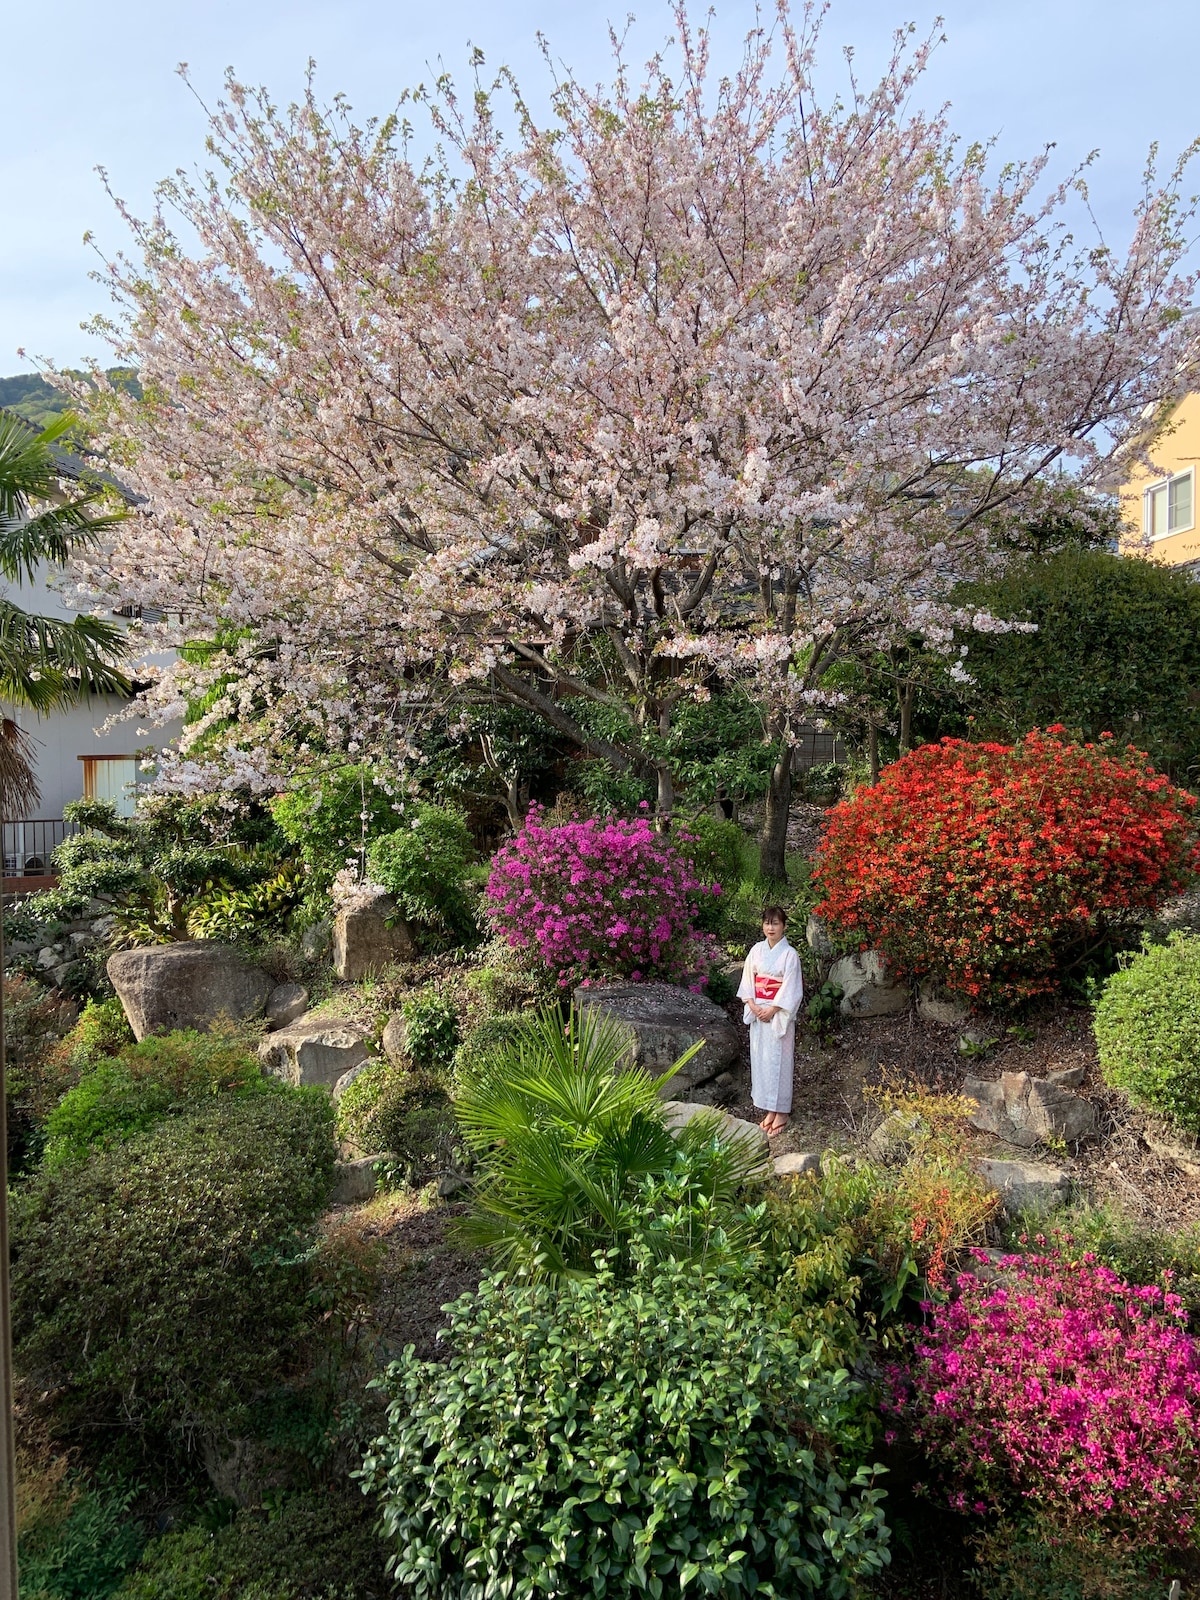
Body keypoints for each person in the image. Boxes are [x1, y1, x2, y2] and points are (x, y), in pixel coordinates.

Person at [737, 905, 804, 1136]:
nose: (770, 928)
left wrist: (774, 1008)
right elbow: (748, 981)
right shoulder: (756, 950)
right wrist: (754, 1006)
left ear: (784, 926)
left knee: (780, 1063)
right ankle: (769, 1109)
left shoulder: (789, 955)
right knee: (762, 1062)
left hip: (778, 1016)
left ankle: (782, 1111)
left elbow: (792, 988)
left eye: (775, 923)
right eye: (767, 923)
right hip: (758, 1013)